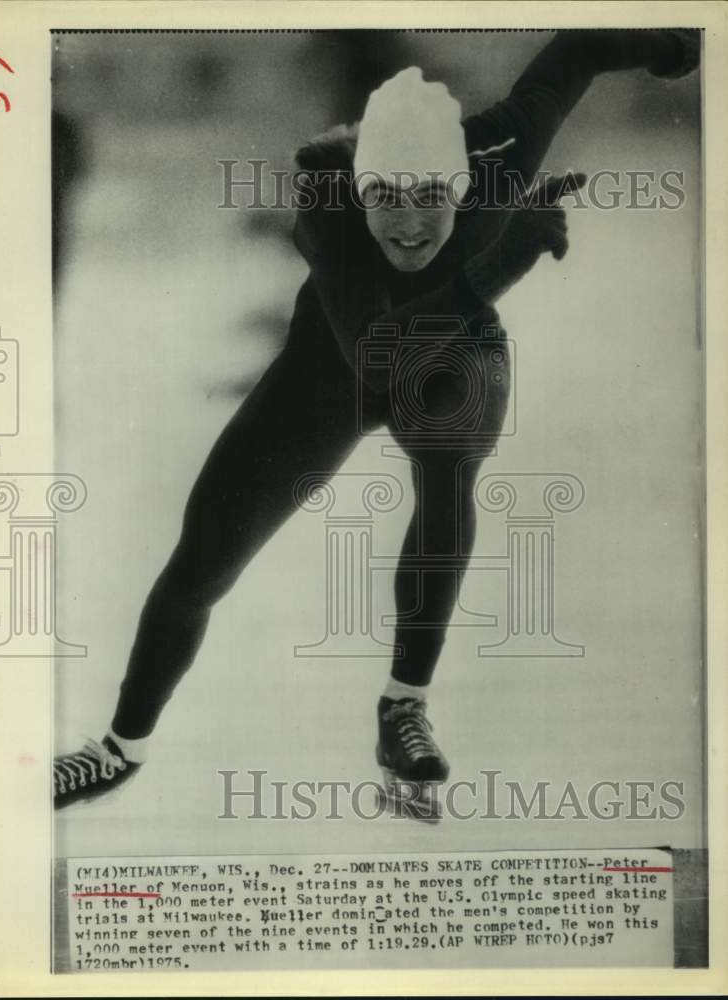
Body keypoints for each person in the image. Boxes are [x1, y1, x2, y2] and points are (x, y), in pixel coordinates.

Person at [53, 29, 699, 819]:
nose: (408, 222)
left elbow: (576, 52)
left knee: (449, 468)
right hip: (343, 359)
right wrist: (501, 263)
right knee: (202, 562)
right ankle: (121, 749)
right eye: (385, 197)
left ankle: (402, 708)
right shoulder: (324, 204)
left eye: (431, 196)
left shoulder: (505, 152)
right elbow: (376, 348)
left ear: (463, 183)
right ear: (357, 192)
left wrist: (674, 41)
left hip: (451, 358)